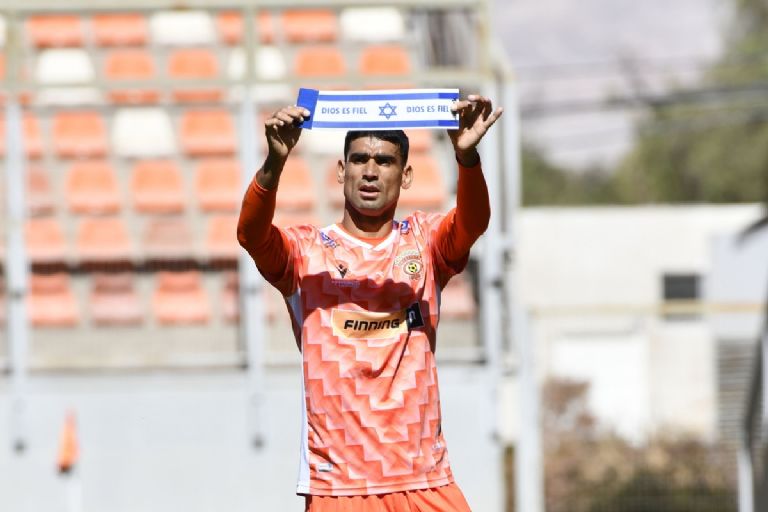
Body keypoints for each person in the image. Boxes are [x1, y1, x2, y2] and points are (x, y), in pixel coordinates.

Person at [237, 95, 502, 512]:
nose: (371, 171)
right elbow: (251, 235)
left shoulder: (425, 242)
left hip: (424, 480)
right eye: (359, 159)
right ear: (341, 171)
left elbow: (473, 223)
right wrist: (274, 163)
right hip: (340, 488)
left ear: (406, 174)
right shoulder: (306, 252)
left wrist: (467, 159)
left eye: (385, 161)